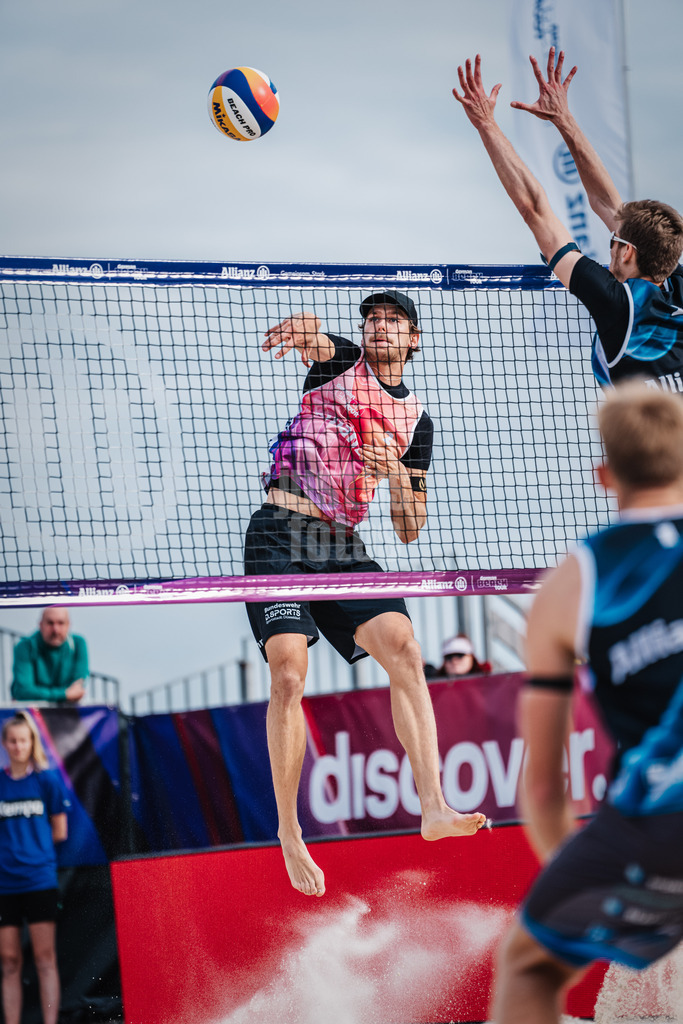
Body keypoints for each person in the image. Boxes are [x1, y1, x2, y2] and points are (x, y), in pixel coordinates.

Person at [244, 290, 486, 897]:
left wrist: (399, 474)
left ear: (414, 339)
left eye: (393, 321)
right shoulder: (341, 363)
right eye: (372, 319)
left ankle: (433, 807)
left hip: (340, 541)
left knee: (404, 647)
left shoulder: (417, 423)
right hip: (278, 529)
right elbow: (317, 340)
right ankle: (289, 830)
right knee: (289, 676)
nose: (379, 327)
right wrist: (306, 330)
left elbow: (409, 528)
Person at [488, 380, 683, 1024]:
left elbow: (544, 789)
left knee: (526, 969)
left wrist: (586, 875)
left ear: (604, 475)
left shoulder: (572, 580)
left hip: (656, 827)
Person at [452, 48, 683, 389]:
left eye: (614, 242)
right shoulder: (675, 284)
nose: (610, 246)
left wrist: (486, 124)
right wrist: (563, 118)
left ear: (629, 252)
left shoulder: (618, 303)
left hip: (653, 442)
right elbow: (609, 205)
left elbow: (535, 208)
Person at [0, 712, 71, 1024]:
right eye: (12, 741)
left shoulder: (46, 780)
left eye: (23, 740)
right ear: (5, 744)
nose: (18, 746)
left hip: (40, 880)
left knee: (45, 958)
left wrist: (32, 852)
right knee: (9, 960)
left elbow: (60, 831)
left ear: (32, 742)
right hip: (5, 885)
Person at [11, 608, 88, 704]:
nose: (55, 629)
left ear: (68, 625)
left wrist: (40, 694)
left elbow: (77, 689)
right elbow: (24, 691)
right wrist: (65, 694)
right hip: (31, 713)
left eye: (61, 623)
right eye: (50, 623)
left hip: (67, 711)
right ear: (41, 625)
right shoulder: (25, 646)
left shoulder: (78, 644)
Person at [424, 633, 491, 679]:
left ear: (472, 658)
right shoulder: (433, 684)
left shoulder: (487, 683)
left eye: (460, 655)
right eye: (449, 657)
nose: (454, 661)